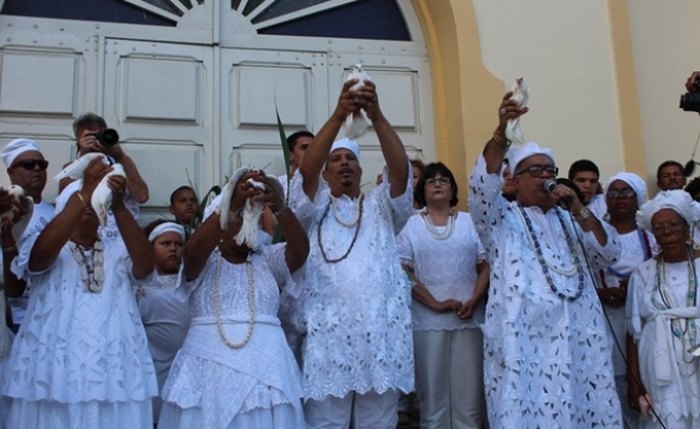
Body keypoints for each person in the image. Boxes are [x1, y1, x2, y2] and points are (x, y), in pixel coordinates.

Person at [468, 92, 623, 428]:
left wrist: (580, 207)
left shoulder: (572, 218)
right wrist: (501, 133)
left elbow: (608, 253)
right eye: (534, 170)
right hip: (526, 344)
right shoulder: (501, 220)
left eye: (549, 170)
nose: (544, 176)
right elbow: (482, 188)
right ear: (517, 179)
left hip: (579, 339)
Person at [289, 77, 414, 428]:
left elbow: (401, 172)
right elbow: (306, 171)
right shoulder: (311, 208)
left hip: (381, 340)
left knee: (378, 423)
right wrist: (338, 114)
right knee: (325, 423)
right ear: (326, 172)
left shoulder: (381, 206)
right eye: (336, 159)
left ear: (360, 169)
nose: (344, 164)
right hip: (328, 340)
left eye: (350, 159)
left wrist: (376, 116)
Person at [1, 157, 157, 427]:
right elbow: (40, 257)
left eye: (93, 201)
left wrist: (118, 205)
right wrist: (86, 190)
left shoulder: (118, 250)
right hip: (56, 368)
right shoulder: (48, 246)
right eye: (78, 202)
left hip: (111, 368)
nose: (86, 206)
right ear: (66, 208)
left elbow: (145, 266)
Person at [158, 169, 309, 428]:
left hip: (266, 367)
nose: (247, 223)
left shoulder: (268, 259)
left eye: (252, 217)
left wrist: (280, 207)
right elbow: (191, 256)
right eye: (238, 216)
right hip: (208, 371)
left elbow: (301, 251)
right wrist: (231, 203)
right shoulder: (204, 261)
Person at [397, 162, 489, 429]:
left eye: (444, 180)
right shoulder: (410, 225)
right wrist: (435, 303)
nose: (438, 184)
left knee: (469, 403)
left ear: (452, 188)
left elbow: (485, 266)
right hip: (427, 322)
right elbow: (402, 271)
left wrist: (474, 299)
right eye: (430, 180)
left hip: (469, 319)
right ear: (422, 190)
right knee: (433, 402)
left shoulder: (470, 222)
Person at [627, 190, 700, 428]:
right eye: (658, 228)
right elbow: (633, 331)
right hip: (660, 366)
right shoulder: (643, 272)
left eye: (673, 225)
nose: (666, 232)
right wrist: (634, 381)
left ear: (687, 227)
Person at [598, 172, 653, 428]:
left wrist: (637, 286)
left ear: (638, 198)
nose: (620, 198)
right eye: (614, 192)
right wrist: (602, 293)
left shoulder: (651, 238)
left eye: (627, 193)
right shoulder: (594, 236)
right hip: (604, 321)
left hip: (644, 324)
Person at [134, 220, 190, 423]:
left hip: (186, 373)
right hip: (153, 373)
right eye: (165, 244)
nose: (173, 249)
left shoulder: (190, 283)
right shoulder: (140, 287)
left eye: (178, 244)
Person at [0, 138, 54, 332]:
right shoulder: (4, 208)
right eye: (29, 164)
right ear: (11, 173)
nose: (37, 169)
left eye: (42, 164)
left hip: (51, 315)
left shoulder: (57, 213)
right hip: (16, 317)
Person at [279, 130, 314, 198]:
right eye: (305, 148)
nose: (311, 152)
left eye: (314, 148)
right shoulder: (278, 186)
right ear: (290, 156)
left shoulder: (328, 186)